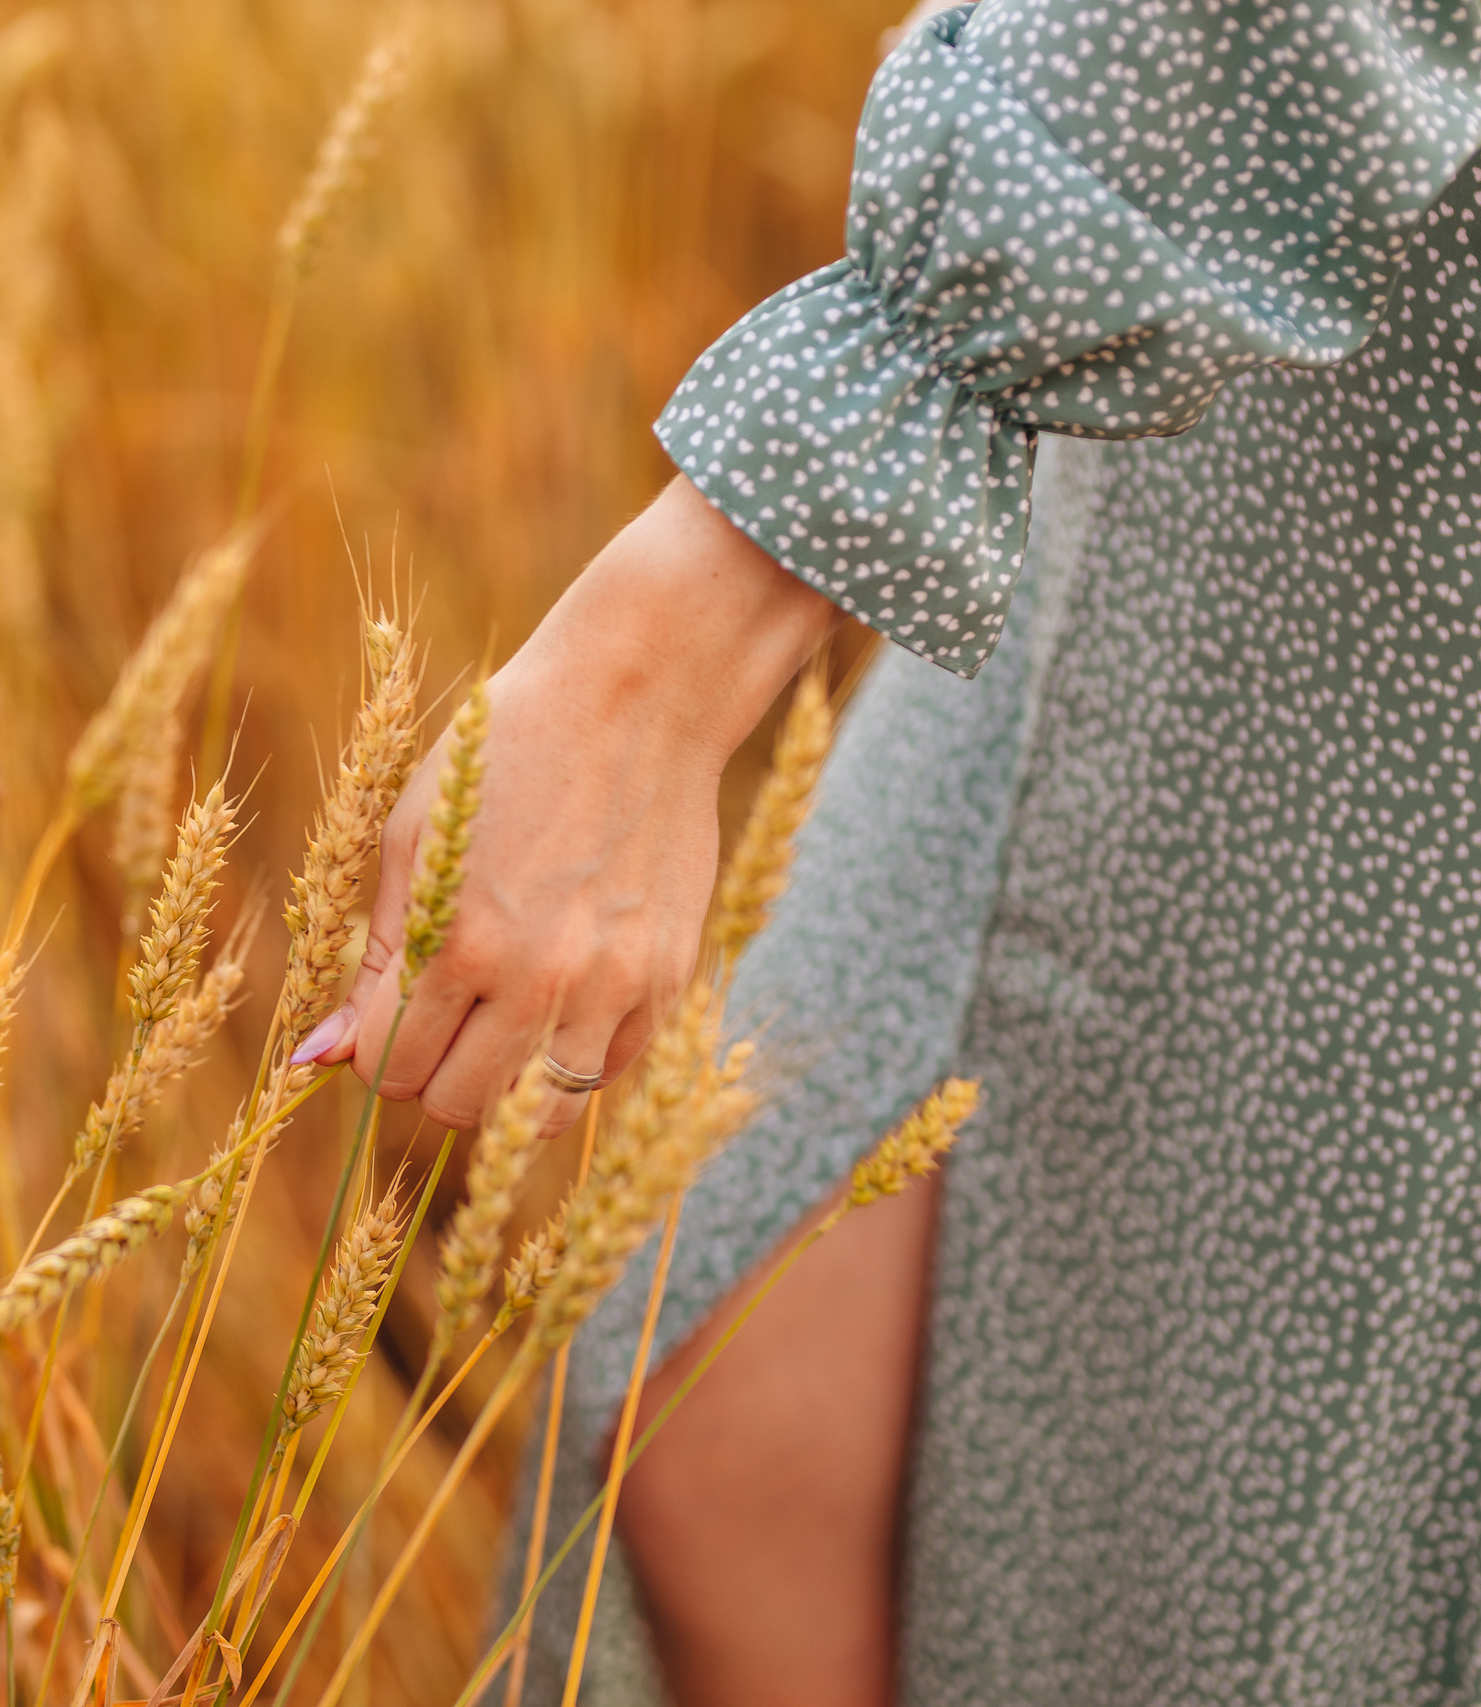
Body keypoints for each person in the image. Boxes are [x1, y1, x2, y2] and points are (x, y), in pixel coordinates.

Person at [300, 0, 1481, 1701]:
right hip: (1188, 396)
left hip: (1384, 459)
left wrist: (671, 641)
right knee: (721, 1424)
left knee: (1262, 1548)